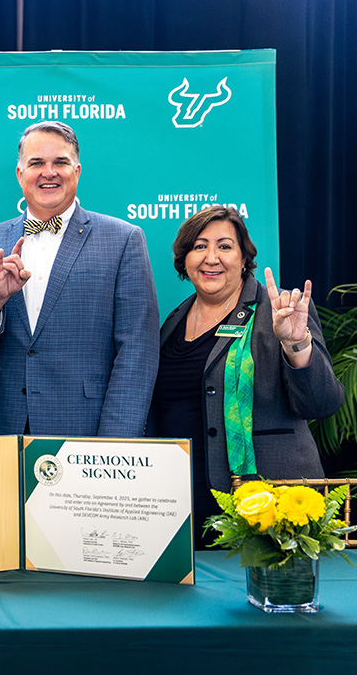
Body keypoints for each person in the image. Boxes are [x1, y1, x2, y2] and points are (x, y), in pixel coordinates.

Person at [148, 205, 343, 542]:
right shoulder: (173, 321)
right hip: (181, 505)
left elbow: (320, 404)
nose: (211, 257)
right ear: (184, 260)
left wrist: (296, 344)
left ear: (244, 258)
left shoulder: (280, 311)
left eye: (225, 246)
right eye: (199, 246)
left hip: (268, 501)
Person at [0, 121, 159, 438]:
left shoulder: (123, 240)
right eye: (37, 163)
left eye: (60, 162)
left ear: (76, 171)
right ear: (20, 174)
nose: (49, 172)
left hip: (86, 430)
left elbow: (137, 351)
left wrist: (118, 439)